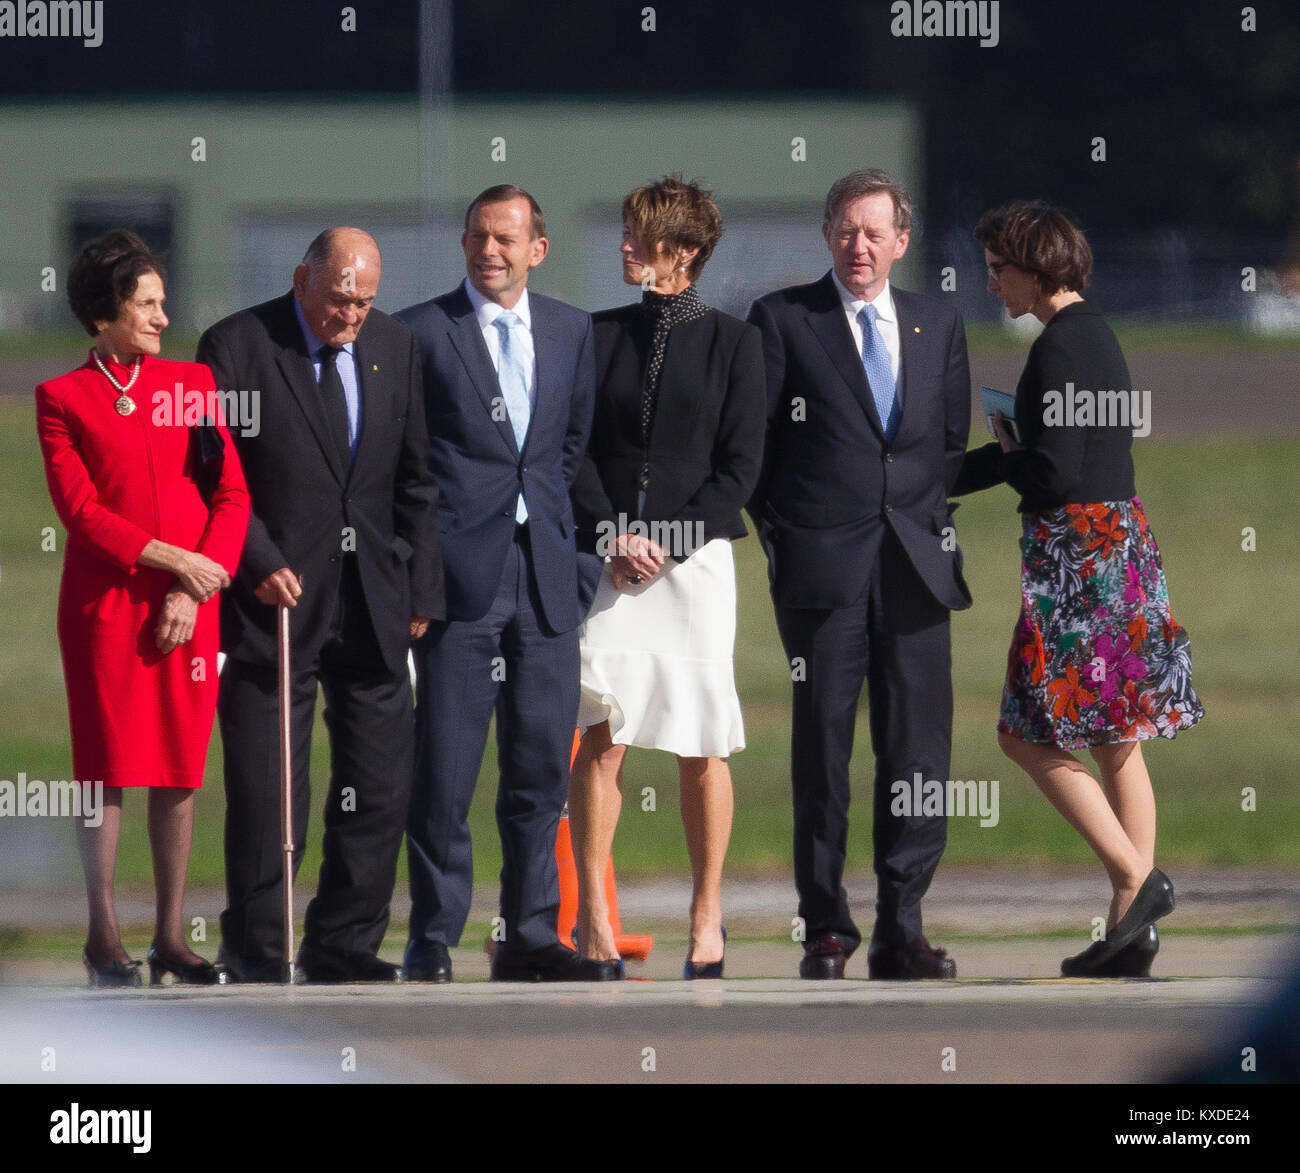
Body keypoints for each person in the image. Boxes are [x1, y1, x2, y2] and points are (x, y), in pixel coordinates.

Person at [953, 200, 1203, 977]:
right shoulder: (1095, 334)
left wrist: (991, 462)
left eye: (1000, 269)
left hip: (1079, 570)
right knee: (1116, 737)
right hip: (1118, 556)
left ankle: (1136, 880)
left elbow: (1050, 469)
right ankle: (1134, 931)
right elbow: (1056, 453)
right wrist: (972, 468)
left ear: (1036, 267)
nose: (994, 283)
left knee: (1024, 732)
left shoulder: (1059, 347)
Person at [197, 227, 442, 983]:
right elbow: (213, 470)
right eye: (340, 298)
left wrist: (420, 586)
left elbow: (417, 480)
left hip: (373, 595)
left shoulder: (395, 347)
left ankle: (344, 941)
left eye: (364, 301)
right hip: (275, 595)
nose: (352, 315)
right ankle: (263, 946)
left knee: (379, 780)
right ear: (304, 278)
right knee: (271, 782)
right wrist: (256, 560)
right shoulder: (235, 346)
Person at [747, 169, 971, 980]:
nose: (860, 245)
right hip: (821, 574)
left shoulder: (938, 322)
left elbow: (945, 447)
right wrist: (785, 544)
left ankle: (902, 925)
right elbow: (757, 456)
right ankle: (825, 925)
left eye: (875, 231)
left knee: (918, 754)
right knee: (824, 753)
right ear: (827, 235)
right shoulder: (783, 320)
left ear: (902, 242)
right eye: (846, 229)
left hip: (915, 570)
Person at [396, 184, 618, 982]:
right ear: (463, 245)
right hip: (461, 585)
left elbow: (566, 452)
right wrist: (422, 582)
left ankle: (528, 935)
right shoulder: (422, 332)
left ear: (538, 249)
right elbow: (409, 467)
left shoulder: (569, 330)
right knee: (446, 772)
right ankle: (434, 936)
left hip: (548, 584)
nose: (491, 250)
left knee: (538, 772)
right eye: (479, 237)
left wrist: (576, 558)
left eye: (506, 238)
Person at [36, 230, 250, 987]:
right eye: (148, 303)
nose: (164, 315)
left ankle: (169, 937)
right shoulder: (62, 398)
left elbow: (232, 495)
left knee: (179, 767)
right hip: (107, 607)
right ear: (105, 312)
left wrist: (195, 585)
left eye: (164, 301)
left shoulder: (192, 385)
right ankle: (103, 938)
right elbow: (83, 513)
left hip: (191, 605)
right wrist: (173, 561)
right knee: (104, 770)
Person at [569, 176, 765, 978]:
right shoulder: (594, 333)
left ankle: (707, 917)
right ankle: (591, 918)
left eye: (639, 237)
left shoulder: (736, 342)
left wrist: (667, 541)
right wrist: (614, 534)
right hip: (610, 562)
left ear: (682, 253)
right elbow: (572, 447)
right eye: (625, 233)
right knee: (601, 736)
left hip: (694, 567)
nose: (624, 247)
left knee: (700, 742)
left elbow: (740, 467)